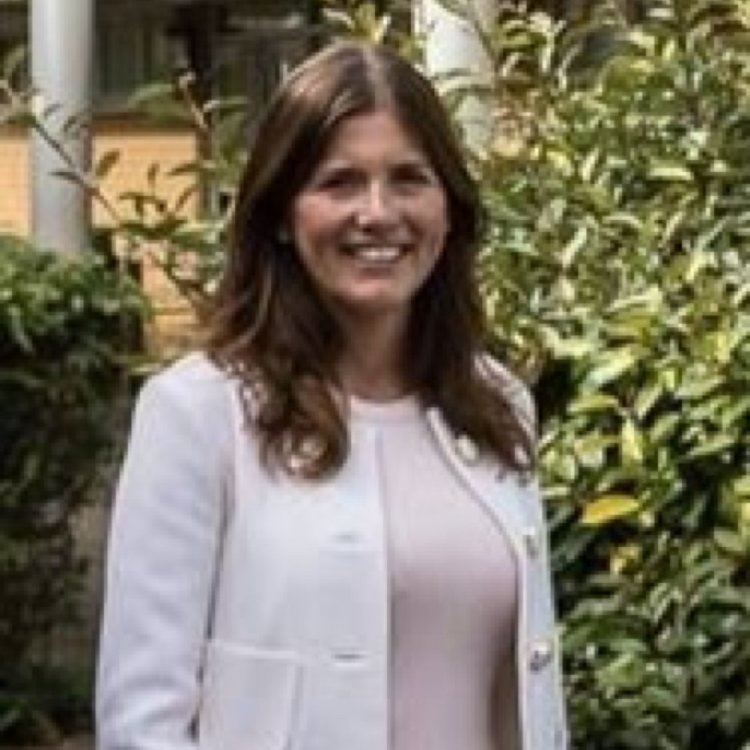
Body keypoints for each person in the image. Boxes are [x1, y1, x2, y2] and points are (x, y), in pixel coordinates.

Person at [96, 41, 568, 750]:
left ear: (448, 208)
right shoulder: (198, 414)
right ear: (282, 214)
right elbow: (143, 724)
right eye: (339, 182)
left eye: (410, 178)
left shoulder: (498, 405)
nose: (378, 213)